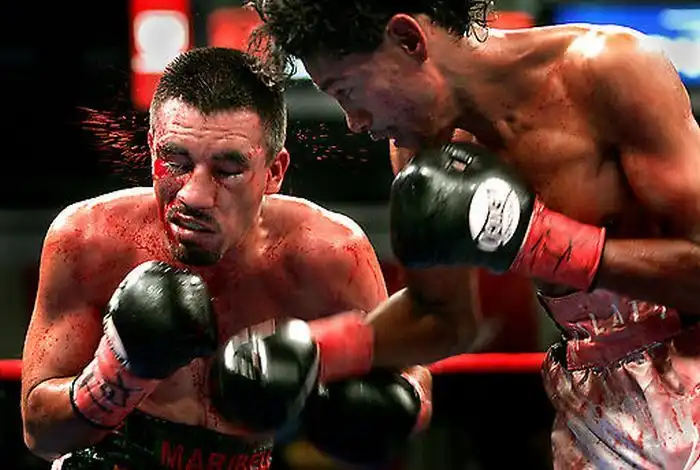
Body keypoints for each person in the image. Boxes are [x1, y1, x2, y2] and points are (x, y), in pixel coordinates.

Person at [224, 1, 700, 468]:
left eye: (347, 90)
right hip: (595, 409)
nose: (354, 121)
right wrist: (313, 351)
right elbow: (443, 317)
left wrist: (541, 243)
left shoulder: (608, 70)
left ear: (408, 39)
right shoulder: (422, 153)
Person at [20, 46, 432, 470]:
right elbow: (40, 433)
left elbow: (409, 372)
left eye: (227, 170)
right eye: (175, 161)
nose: (194, 195)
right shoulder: (89, 239)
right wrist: (118, 374)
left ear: (274, 172)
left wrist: (390, 406)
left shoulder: (330, 254)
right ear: (153, 150)